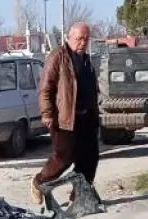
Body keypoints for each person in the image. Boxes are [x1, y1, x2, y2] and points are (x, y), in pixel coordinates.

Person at [33, 21, 100, 206]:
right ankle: (39, 182)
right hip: (64, 119)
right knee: (65, 157)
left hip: (86, 117)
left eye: (86, 39)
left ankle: (79, 195)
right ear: (69, 38)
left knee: (90, 158)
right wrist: (46, 113)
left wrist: (95, 115)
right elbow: (45, 88)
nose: (83, 42)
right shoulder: (58, 57)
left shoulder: (86, 60)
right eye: (79, 38)